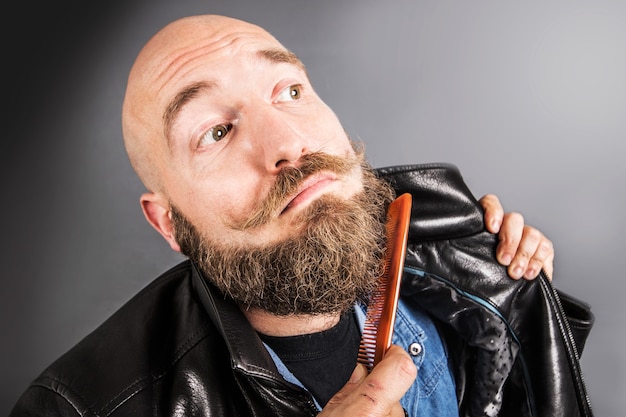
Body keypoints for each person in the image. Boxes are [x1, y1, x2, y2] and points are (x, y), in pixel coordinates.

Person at [11, 15, 557, 417]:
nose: (289, 144)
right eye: (217, 131)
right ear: (168, 223)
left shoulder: (458, 242)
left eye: (290, 91)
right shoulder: (80, 408)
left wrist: (522, 299)